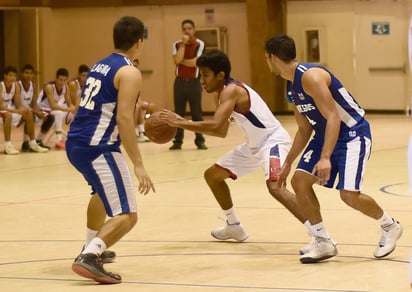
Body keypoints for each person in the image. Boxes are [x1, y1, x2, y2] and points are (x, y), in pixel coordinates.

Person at [264, 34, 403, 263]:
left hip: (351, 133)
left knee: (348, 195)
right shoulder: (290, 84)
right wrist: (288, 162)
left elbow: (333, 117)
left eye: (266, 58)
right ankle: (323, 241)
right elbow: (303, 127)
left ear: (272, 57)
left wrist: (326, 157)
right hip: (323, 134)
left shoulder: (311, 76)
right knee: (299, 181)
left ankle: (389, 226)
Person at [160, 50, 307, 246]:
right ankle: (233, 226)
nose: (201, 80)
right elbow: (221, 130)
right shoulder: (221, 94)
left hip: (273, 141)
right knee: (212, 176)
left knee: (276, 187)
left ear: (220, 75)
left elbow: (217, 128)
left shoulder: (232, 90)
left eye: (205, 75)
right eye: (200, 75)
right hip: (254, 146)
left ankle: (320, 233)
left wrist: (180, 122)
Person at [66, 16, 155, 284]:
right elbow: (124, 119)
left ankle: (90, 244)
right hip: (99, 147)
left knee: (101, 196)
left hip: (77, 143)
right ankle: (90, 256)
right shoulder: (130, 71)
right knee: (128, 214)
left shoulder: (100, 64)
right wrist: (138, 163)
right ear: (139, 42)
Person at [169, 19, 207, 150]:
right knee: (178, 114)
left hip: (194, 82)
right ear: (182, 30)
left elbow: (196, 63)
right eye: (184, 29)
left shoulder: (200, 44)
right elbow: (176, 60)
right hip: (179, 82)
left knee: (197, 114)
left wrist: (181, 61)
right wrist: (183, 45)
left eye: (189, 28)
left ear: (194, 30)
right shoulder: (177, 44)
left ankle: (200, 141)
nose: (187, 31)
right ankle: (177, 142)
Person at [0, 66, 48, 154]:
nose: (12, 78)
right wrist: (16, 111)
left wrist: (24, 110)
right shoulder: (1, 86)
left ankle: (33, 143)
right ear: (5, 76)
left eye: (14, 76)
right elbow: (1, 107)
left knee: (28, 113)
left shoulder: (15, 86)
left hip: (8, 110)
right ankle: (8, 145)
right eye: (10, 75)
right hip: (3, 111)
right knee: (8, 115)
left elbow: (18, 105)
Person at [17, 64, 55, 151]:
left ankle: (39, 140)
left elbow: (34, 104)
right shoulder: (17, 85)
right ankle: (26, 142)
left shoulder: (33, 85)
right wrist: (36, 112)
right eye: (26, 73)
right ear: (21, 74)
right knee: (30, 115)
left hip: (30, 110)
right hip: (19, 111)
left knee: (50, 117)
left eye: (30, 73)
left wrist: (40, 112)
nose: (28, 75)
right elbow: (18, 105)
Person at [38, 68, 76, 149]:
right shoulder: (49, 87)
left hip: (51, 110)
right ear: (56, 78)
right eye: (60, 80)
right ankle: (59, 140)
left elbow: (70, 104)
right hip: (41, 109)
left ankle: (76, 137)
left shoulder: (66, 87)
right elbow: (53, 105)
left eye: (64, 80)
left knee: (75, 115)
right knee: (59, 113)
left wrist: (76, 110)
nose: (62, 82)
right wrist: (70, 109)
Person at [132, 59, 150, 142]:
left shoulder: (136, 77)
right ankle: (135, 133)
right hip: (126, 105)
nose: (135, 68)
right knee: (138, 107)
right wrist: (138, 103)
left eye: (136, 66)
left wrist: (140, 102)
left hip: (135, 102)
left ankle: (147, 132)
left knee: (151, 106)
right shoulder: (126, 76)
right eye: (133, 65)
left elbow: (137, 95)